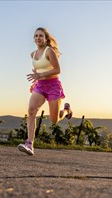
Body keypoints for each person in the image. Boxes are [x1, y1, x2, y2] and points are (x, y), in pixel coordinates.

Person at [18, 27, 73, 156]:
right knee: (31, 111)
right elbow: (38, 70)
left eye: (41, 36)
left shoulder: (49, 51)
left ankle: (67, 111)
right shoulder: (33, 54)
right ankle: (29, 144)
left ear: (46, 38)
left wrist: (40, 76)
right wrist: (35, 82)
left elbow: (57, 70)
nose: (38, 38)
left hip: (53, 86)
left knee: (54, 119)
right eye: (36, 36)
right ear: (33, 39)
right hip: (40, 86)